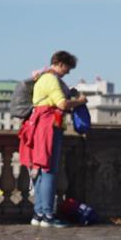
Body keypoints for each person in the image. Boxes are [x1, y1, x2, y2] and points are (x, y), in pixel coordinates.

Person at [18, 50, 88, 228]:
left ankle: (39, 213)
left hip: (38, 126)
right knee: (49, 171)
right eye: (68, 68)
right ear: (60, 64)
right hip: (49, 127)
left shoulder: (43, 77)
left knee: (41, 171)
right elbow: (62, 104)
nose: (68, 72)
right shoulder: (51, 79)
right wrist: (80, 101)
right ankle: (48, 215)